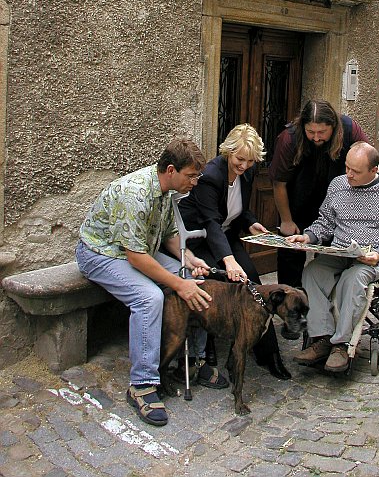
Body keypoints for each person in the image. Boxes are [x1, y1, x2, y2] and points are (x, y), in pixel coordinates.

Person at [76, 137, 226, 428]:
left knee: (196, 278)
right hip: (101, 253)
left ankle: (193, 360)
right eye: (191, 176)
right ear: (171, 170)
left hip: (137, 249)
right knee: (149, 297)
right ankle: (141, 385)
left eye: (197, 176)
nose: (195, 182)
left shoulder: (167, 191)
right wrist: (177, 283)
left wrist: (189, 261)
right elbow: (135, 257)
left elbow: (169, 235)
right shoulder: (136, 194)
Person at [179, 123, 292, 380]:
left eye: (250, 161)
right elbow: (210, 221)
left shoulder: (248, 174)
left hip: (225, 234)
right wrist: (229, 261)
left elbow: (237, 209)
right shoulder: (211, 176)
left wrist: (251, 222)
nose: (243, 166)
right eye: (240, 159)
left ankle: (268, 354)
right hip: (201, 238)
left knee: (253, 282)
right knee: (219, 279)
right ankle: (208, 351)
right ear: (228, 152)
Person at [288, 142, 379, 373]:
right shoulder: (338, 185)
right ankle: (322, 338)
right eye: (347, 168)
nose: (349, 175)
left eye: (355, 171)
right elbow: (325, 222)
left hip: (372, 255)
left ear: (374, 170)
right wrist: (308, 236)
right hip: (340, 251)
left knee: (352, 279)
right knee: (312, 272)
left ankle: (341, 345)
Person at [269, 99, 370, 302]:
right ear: (303, 126)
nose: (316, 137)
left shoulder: (349, 130)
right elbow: (279, 184)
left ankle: (328, 306)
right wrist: (287, 220)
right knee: (290, 255)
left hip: (338, 206)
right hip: (298, 202)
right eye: (311, 132)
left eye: (322, 132)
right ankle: (291, 309)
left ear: (333, 126)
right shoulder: (289, 139)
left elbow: (369, 161)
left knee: (332, 257)